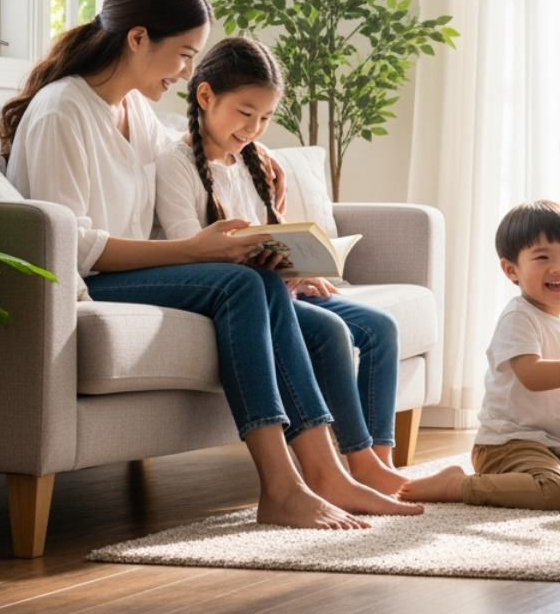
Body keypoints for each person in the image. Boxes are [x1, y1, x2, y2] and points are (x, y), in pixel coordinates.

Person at [0, 0, 420, 530]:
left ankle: (331, 475)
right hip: (86, 280)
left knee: (317, 326)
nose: (187, 71)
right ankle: (282, 485)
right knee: (242, 283)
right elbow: (71, 245)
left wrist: (248, 149)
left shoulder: (131, 109)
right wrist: (194, 251)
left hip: (119, 272)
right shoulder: (62, 112)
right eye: (182, 55)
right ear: (138, 37)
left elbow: (184, 142)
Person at [154, 35, 409, 496]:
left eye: (266, 118)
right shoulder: (176, 163)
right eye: (245, 113)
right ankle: (357, 465)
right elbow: (186, 248)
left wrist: (302, 269)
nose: (254, 128)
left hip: (281, 290)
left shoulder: (256, 164)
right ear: (205, 95)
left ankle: (378, 461)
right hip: (243, 296)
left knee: (380, 327)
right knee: (331, 333)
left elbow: (275, 237)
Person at [401, 201, 560, 510]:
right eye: (542, 258)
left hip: (558, 447)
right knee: (555, 493)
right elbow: (532, 375)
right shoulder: (518, 317)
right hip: (508, 443)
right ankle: (458, 485)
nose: (558, 268)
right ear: (511, 269)